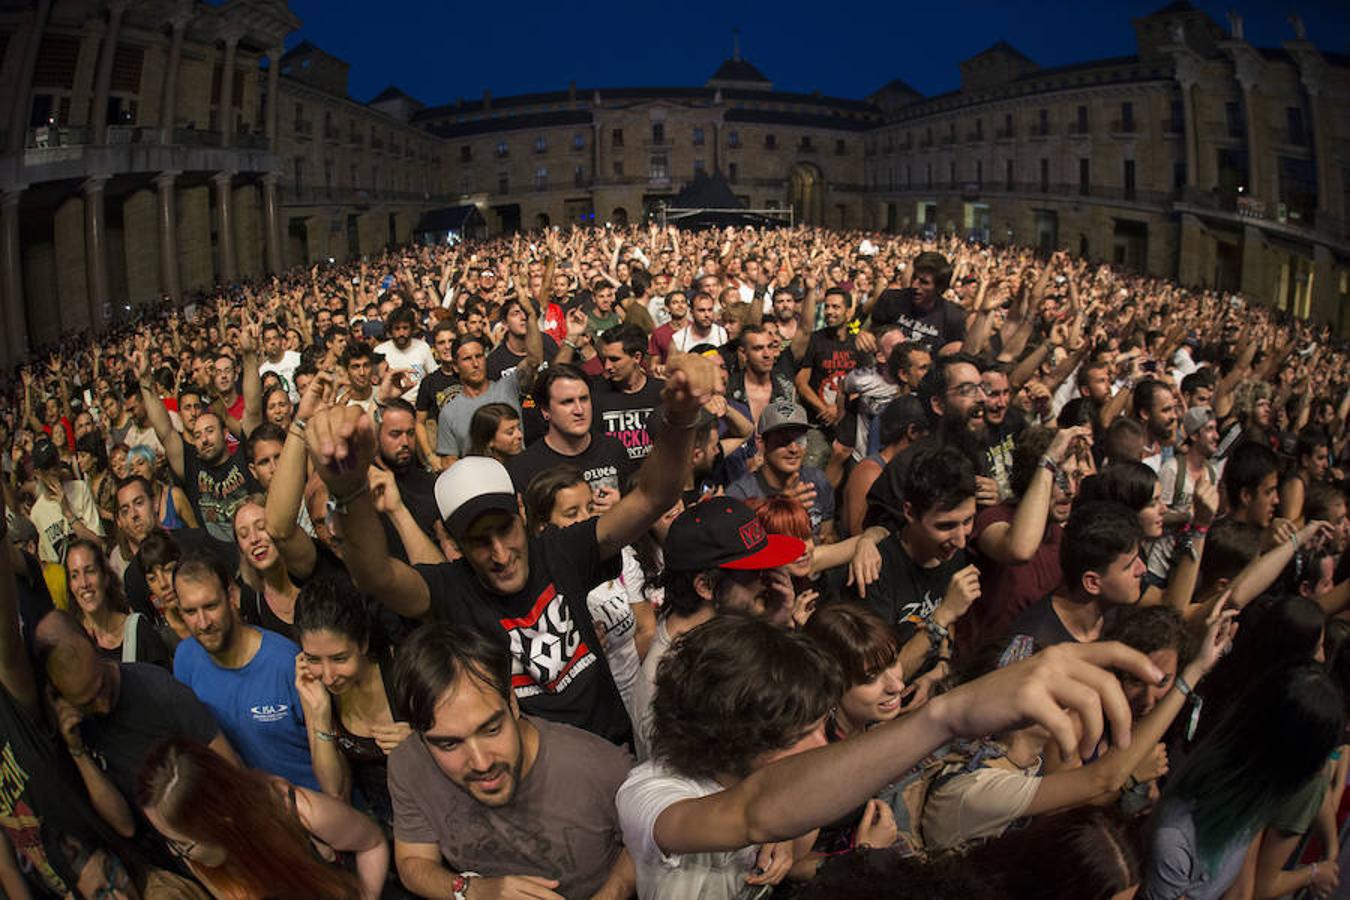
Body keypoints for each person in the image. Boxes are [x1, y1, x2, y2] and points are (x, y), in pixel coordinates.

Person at [302, 352, 716, 746]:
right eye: (479, 542)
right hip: (534, 779)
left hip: (613, 748)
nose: (500, 554)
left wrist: (680, 419)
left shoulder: (560, 551)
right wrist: (349, 489)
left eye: (505, 530)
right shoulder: (450, 590)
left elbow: (651, 497)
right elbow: (376, 573)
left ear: (521, 510)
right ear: (455, 542)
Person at [387, 623, 636, 899]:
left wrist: (612, 893)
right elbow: (413, 862)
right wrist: (474, 891)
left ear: (513, 704)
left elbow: (650, 840)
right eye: (449, 743)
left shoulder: (600, 767)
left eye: (492, 729)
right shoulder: (407, 765)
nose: (481, 763)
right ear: (421, 737)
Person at [1143, 664, 1343, 900]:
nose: (1321, 773)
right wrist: (1313, 873)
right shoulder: (1177, 842)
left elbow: (1241, 890)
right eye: (1318, 760)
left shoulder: (1249, 801)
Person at [138, 737, 388, 900]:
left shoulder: (300, 812)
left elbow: (373, 843)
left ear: (221, 821)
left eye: (183, 845)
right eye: (171, 843)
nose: (176, 853)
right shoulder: (200, 860)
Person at [171, 549, 321, 790]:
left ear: (231, 596)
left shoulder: (285, 662)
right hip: (252, 808)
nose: (203, 623)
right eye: (190, 611)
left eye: (210, 606)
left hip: (313, 804)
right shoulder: (185, 659)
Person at [523, 466, 655, 721]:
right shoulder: (542, 591)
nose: (586, 519)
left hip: (639, 698)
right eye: (572, 513)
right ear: (542, 528)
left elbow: (646, 627)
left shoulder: (620, 555)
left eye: (590, 508)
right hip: (594, 713)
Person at [294, 576, 409, 828]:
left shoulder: (405, 669)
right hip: (387, 827)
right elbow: (335, 791)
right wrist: (320, 716)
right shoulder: (315, 691)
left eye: (339, 658)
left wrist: (421, 744)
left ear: (364, 643)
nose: (328, 675)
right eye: (313, 659)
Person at [135, 352, 259, 545]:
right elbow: (165, 431)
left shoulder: (243, 456)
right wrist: (145, 380)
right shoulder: (192, 467)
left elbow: (252, 410)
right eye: (198, 435)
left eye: (209, 431)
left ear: (225, 433)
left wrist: (249, 357)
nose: (204, 439)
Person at [1005, 500, 1146, 649]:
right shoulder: (1029, 643)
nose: (1142, 569)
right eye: (1130, 565)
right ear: (1092, 583)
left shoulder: (1118, 611)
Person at [508, 362, 637, 500]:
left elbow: (637, 507)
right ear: (545, 410)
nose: (579, 410)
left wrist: (620, 508)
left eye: (584, 399)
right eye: (567, 402)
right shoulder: (525, 467)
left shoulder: (613, 448)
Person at [435, 324, 540, 468]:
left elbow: (534, 361)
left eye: (479, 356)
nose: (475, 363)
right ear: (455, 366)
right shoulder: (449, 412)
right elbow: (448, 461)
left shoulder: (508, 386)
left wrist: (531, 315)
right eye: (467, 359)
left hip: (520, 473)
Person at [727, 403, 836, 540]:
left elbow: (827, 535)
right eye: (783, 440)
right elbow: (743, 553)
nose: (794, 449)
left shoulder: (817, 481)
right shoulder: (740, 495)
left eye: (800, 440)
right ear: (761, 443)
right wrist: (781, 510)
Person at [64, 538, 172, 666]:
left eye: (90, 571)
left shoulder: (138, 631)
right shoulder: (72, 643)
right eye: (74, 576)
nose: (84, 583)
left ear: (105, 577)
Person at [868, 251, 965, 353]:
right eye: (914, 277)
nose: (914, 285)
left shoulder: (953, 317)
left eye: (924, 282)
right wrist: (862, 335)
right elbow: (871, 331)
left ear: (939, 288)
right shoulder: (891, 299)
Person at [27, 435, 103, 564]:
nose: (53, 470)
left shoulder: (80, 489)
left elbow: (99, 545)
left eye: (54, 461)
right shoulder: (36, 513)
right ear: (38, 473)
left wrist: (67, 512)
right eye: (47, 466)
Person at [594, 323, 666, 461]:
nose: (607, 366)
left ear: (637, 357)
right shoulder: (595, 394)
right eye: (604, 359)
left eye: (614, 359)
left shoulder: (663, 393)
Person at [124, 444, 197, 532]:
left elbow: (196, 531)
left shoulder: (174, 496)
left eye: (140, 463)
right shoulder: (134, 508)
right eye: (131, 469)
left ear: (152, 465)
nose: (136, 470)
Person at [375, 305, 437, 403]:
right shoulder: (380, 351)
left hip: (417, 404)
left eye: (405, 328)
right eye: (397, 328)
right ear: (391, 330)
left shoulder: (423, 347)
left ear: (412, 329)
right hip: (390, 405)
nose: (401, 333)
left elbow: (434, 377)